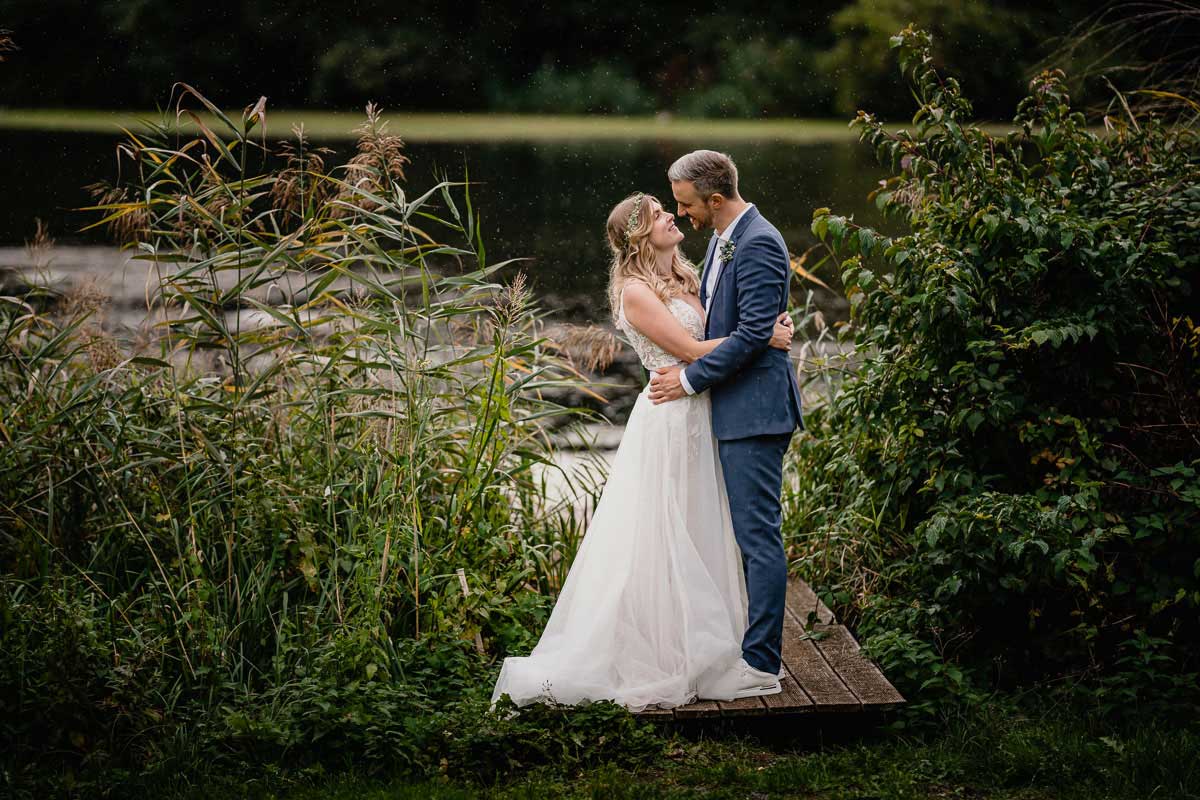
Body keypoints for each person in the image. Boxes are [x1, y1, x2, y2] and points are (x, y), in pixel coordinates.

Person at [489, 190, 795, 711]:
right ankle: (660, 650)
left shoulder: (685, 275)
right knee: (665, 530)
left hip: (704, 411)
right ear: (637, 236)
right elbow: (696, 350)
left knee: (702, 527)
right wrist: (762, 335)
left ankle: (704, 642)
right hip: (671, 418)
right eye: (658, 215)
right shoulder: (634, 291)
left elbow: (713, 339)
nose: (672, 216)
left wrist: (756, 331)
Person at [648, 150, 805, 699]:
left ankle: (761, 665)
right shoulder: (721, 238)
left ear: (715, 200)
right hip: (730, 408)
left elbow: (751, 334)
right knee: (740, 536)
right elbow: (737, 327)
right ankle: (734, 643)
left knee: (758, 538)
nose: (682, 213)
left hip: (755, 412)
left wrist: (688, 381)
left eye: (686, 204)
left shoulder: (759, 242)